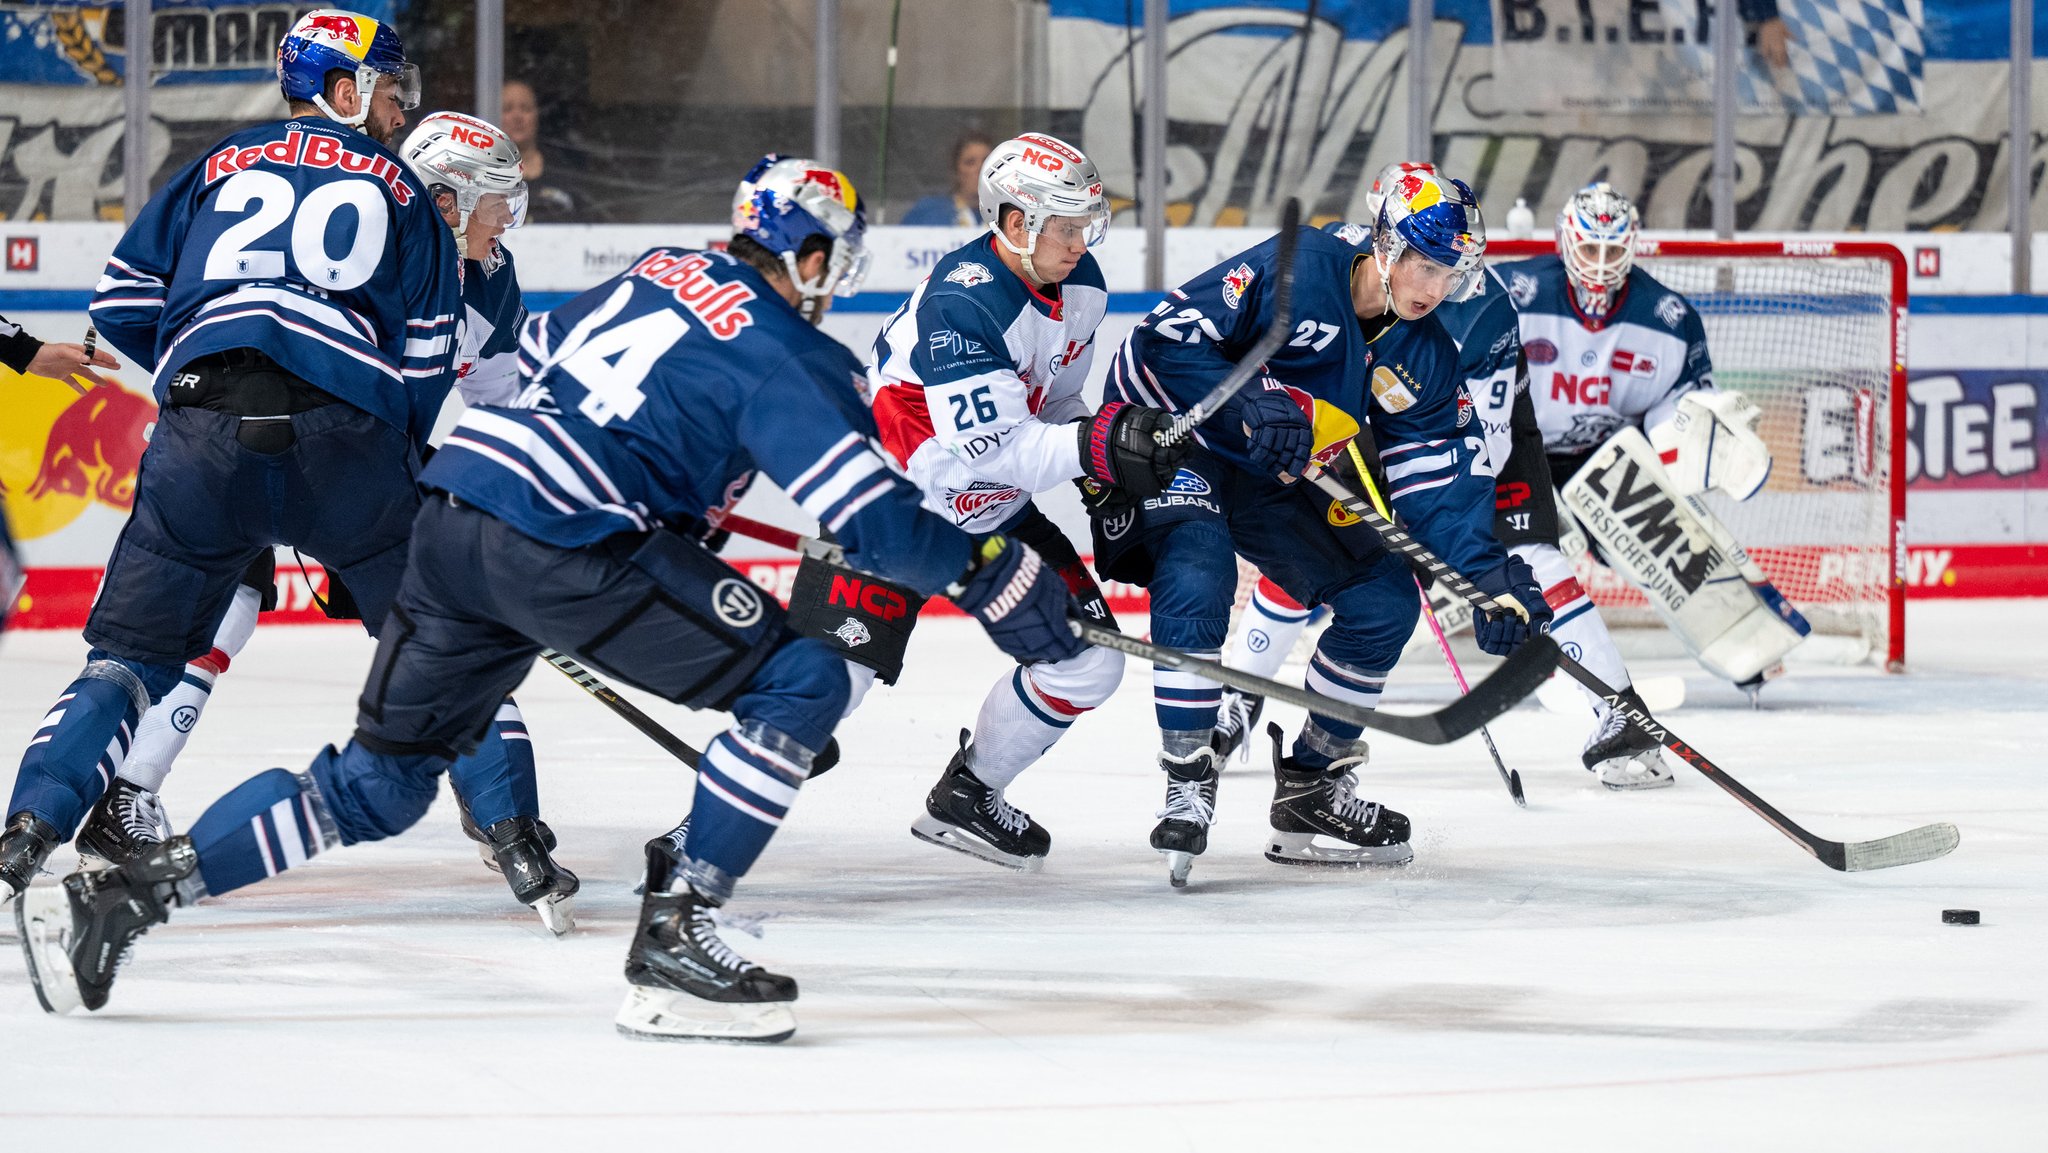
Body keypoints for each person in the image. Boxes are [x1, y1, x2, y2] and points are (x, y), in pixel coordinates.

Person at [17, 154, 1086, 1046]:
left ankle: (132, 897)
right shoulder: (786, 353)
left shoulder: (651, 270)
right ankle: (677, 938)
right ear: (809, 256)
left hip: (447, 516)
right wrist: (997, 574)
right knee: (804, 677)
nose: (830, 281)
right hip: (562, 540)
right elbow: (879, 526)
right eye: (831, 261)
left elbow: (536, 374)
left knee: (378, 787)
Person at [0, 10, 502, 914]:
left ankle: (23, 837)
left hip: (199, 442)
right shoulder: (399, 187)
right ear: (345, 92)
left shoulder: (212, 164)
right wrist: (373, 480)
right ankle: (515, 833)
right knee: (442, 643)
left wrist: (212, 386)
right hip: (348, 453)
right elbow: (426, 371)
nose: (398, 111)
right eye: (389, 92)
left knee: (124, 662)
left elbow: (118, 306)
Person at [62, 109, 576, 927]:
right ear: (445, 198)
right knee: (219, 609)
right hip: (258, 441)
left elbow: (503, 401)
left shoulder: (490, 276)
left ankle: (500, 809)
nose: (505, 220)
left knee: (438, 625)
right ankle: (126, 794)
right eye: (493, 203)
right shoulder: (377, 234)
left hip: (356, 469)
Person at [1092, 167, 1549, 886]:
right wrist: (1247, 403)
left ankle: (1312, 784)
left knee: (1384, 601)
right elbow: (1163, 341)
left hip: (1277, 471)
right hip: (1186, 441)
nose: (1432, 287)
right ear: (1386, 244)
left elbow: (1438, 487)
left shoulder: (1426, 353)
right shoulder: (1304, 268)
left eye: (1449, 272)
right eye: (1424, 264)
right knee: (1199, 571)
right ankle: (1189, 773)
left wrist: (1487, 575)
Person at [868, 132, 1176, 871]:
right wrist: (1099, 445)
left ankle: (968, 795)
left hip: (989, 508)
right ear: (1014, 224)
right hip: (891, 505)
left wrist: (1103, 468)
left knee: (1090, 663)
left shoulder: (1083, 283)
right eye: (1066, 225)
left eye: (1086, 223)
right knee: (821, 685)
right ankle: (703, 827)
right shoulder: (962, 302)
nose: (1081, 240)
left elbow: (1060, 403)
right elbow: (996, 450)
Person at [499, 79, 578, 222]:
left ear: (537, 116)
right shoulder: (479, 175)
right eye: (507, 109)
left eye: (526, 109)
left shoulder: (562, 170)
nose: (517, 117)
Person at [900, 130, 992, 227]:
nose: (980, 168)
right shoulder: (928, 212)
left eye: (987, 161)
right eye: (970, 162)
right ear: (956, 171)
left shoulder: (1006, 215)